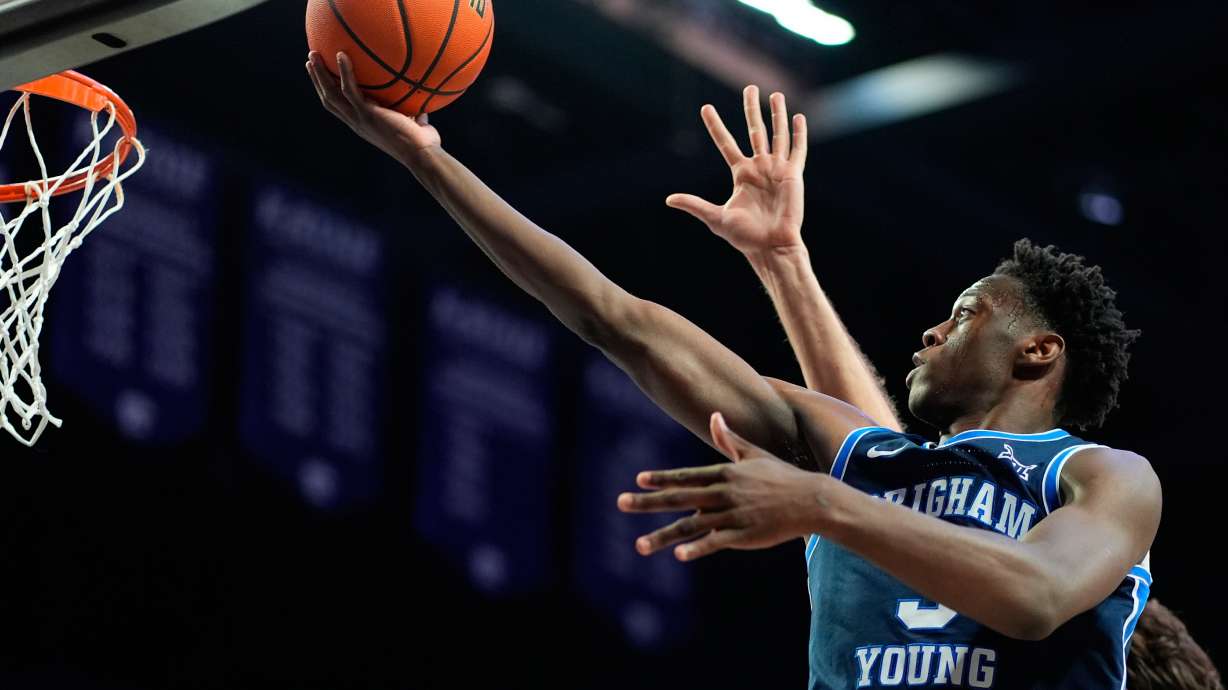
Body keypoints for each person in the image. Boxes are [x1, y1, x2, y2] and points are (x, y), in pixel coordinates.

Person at [307, 52, 1160, 689]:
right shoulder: (863, 461)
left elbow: (1038, 595)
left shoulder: (1100, 475)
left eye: (967, 312)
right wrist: (427, 159)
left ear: (1039, 350)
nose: (932, 331)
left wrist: (820, 503)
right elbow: (620, 321)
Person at [671, 90, 1218, 690]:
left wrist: (821, 502)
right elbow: (887, 468)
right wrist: (784, 263)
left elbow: (1028, 590)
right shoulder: (999, 482)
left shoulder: (1097, 488)